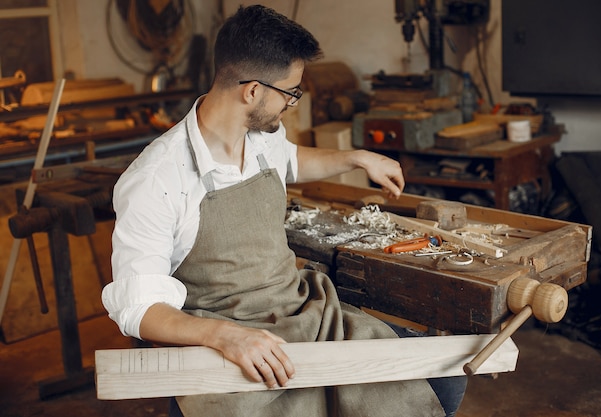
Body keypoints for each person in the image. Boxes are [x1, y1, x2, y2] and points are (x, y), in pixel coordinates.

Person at [102, 5, 465, 417]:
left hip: (306, 314)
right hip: (229, 340)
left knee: (446, 382)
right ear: (252, 91)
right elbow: (139, 308)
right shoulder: (156, 179)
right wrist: (226, 337)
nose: (292, 103)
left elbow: (293, 160)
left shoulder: (260, 136)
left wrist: (358, 158)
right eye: (291, 92)